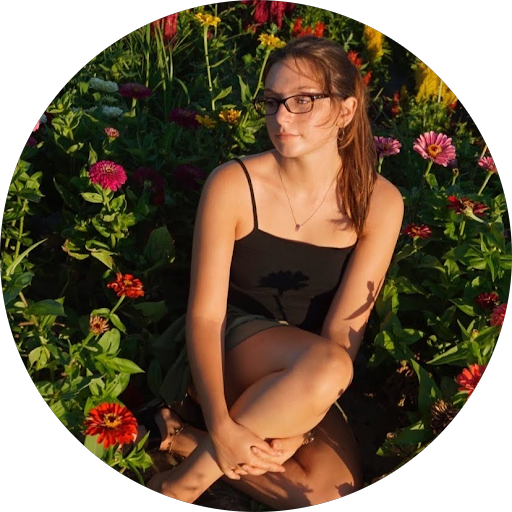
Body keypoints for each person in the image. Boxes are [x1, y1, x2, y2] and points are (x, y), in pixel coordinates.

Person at [134, 35, 404, 508]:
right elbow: (206, 316)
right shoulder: (234, 184)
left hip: (308, 376)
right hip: (223, 350)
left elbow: (345, 329)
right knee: (326, 365)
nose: (281, 118)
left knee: (323, 493)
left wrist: (300, 426)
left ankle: (183, 440)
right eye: (273, 101)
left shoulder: (379, 201)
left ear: (346, 110)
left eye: (303, 101)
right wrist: (221, 422)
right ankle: (181, 486)